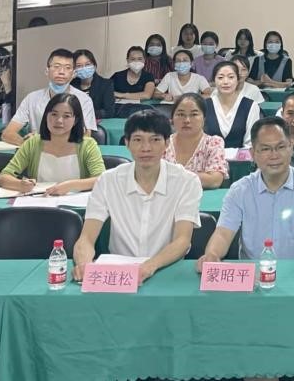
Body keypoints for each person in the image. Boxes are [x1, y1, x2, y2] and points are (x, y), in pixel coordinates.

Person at [73, 110, 201, 283]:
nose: (146, 148)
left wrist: (149, 266)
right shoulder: (108, 181)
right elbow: (87, 238)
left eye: (155, 140)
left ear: (166, 143)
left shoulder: (187, 181)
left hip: (166, 271)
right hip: (119, 275)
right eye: (138, 140)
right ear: (127, 143)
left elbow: (182, 240)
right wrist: (83, 264)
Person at [197, 117, 294, 274]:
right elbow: (223, 234)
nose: (274, 155)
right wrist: (212, 254)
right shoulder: (239, 190)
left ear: (291, 148)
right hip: (252, 275)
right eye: (266, 149)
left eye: (281, 147)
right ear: (253, 153)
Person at [0, 93, 104, 195]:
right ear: (46, 116)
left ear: (75, 120)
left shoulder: (87, 145)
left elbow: (101, 179)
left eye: (66, 116)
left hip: (75, 202)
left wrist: (71, 185)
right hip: (40, 202)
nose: (59, 120)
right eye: (54, 114)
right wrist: (20, 184)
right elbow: (3, 177)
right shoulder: (33, 143)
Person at [2, 49, 97, 145]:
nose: (61, 72)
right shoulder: (31, 99)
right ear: (47, 71)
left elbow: (86, 136)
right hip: (38, 152)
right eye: (56, 67)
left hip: (69, 151)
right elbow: (8, 133)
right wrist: (28, 145)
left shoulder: (84, 100)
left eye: (67, 68)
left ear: (73, 74)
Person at [163, 93, 228, 190]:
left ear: (204, 118)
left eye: (194, 114)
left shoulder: (213, 143)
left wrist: (174, 176)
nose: (187, 120)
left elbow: (215, 180)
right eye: (181, 114)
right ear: (172, 119)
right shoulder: (162, 143)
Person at [203, 61, 259, 148]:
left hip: (241, 156)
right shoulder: (204, 105)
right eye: (220, 77)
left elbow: (250, 143)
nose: (226, 82)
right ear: (214, 80)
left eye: (231, 77)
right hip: (208, 156)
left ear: (238, 80)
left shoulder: (251, 106)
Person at [111, 46, 157, 118]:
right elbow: (107, 92)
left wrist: (121, 95)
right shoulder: (117, 76)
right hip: (118, 110)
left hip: (140, 111)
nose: (136, 62)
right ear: (127, 60)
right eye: (132, 59)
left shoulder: (148, 76)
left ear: (144, 60)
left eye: (139, 59)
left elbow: (147, 95)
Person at [71, 49, 115, 119]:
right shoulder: (71, 85)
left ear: (94, 66)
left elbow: (109, 112)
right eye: (79, 66)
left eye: (87, 64)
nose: (84, 68)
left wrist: (83, 114)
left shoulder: (106, 84)